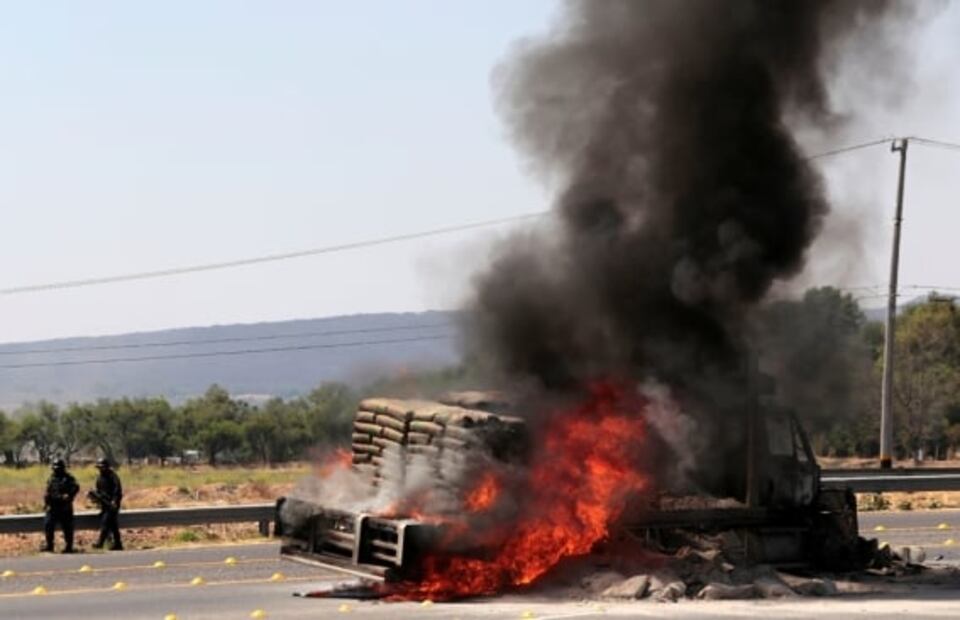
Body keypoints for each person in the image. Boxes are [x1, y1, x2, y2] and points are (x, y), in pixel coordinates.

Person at [43, 459, 79, 553]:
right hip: (53, 506)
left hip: (64, 507)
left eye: (58, 468)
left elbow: (76, 487)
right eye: (54, 467)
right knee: (48, 525)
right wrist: (46, 503)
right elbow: (48, 491)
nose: (56, 469)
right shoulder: (51, 478)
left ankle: (69, 547)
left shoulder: (68, 478)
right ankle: (49, 546)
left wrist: (69, 495)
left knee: (67, 528)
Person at [90, 457, 124, 550]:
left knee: (105, 523)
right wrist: (94, 497)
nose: (101, 469)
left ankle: (100, 543)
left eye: (102, 467)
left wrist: (114, 501)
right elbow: (99, 491)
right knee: (113, 525)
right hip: (104, 504)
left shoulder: (113, 476)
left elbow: (117, 490)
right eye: (99, 467)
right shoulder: (99, 478)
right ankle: (118, 544)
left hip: (112, 505)